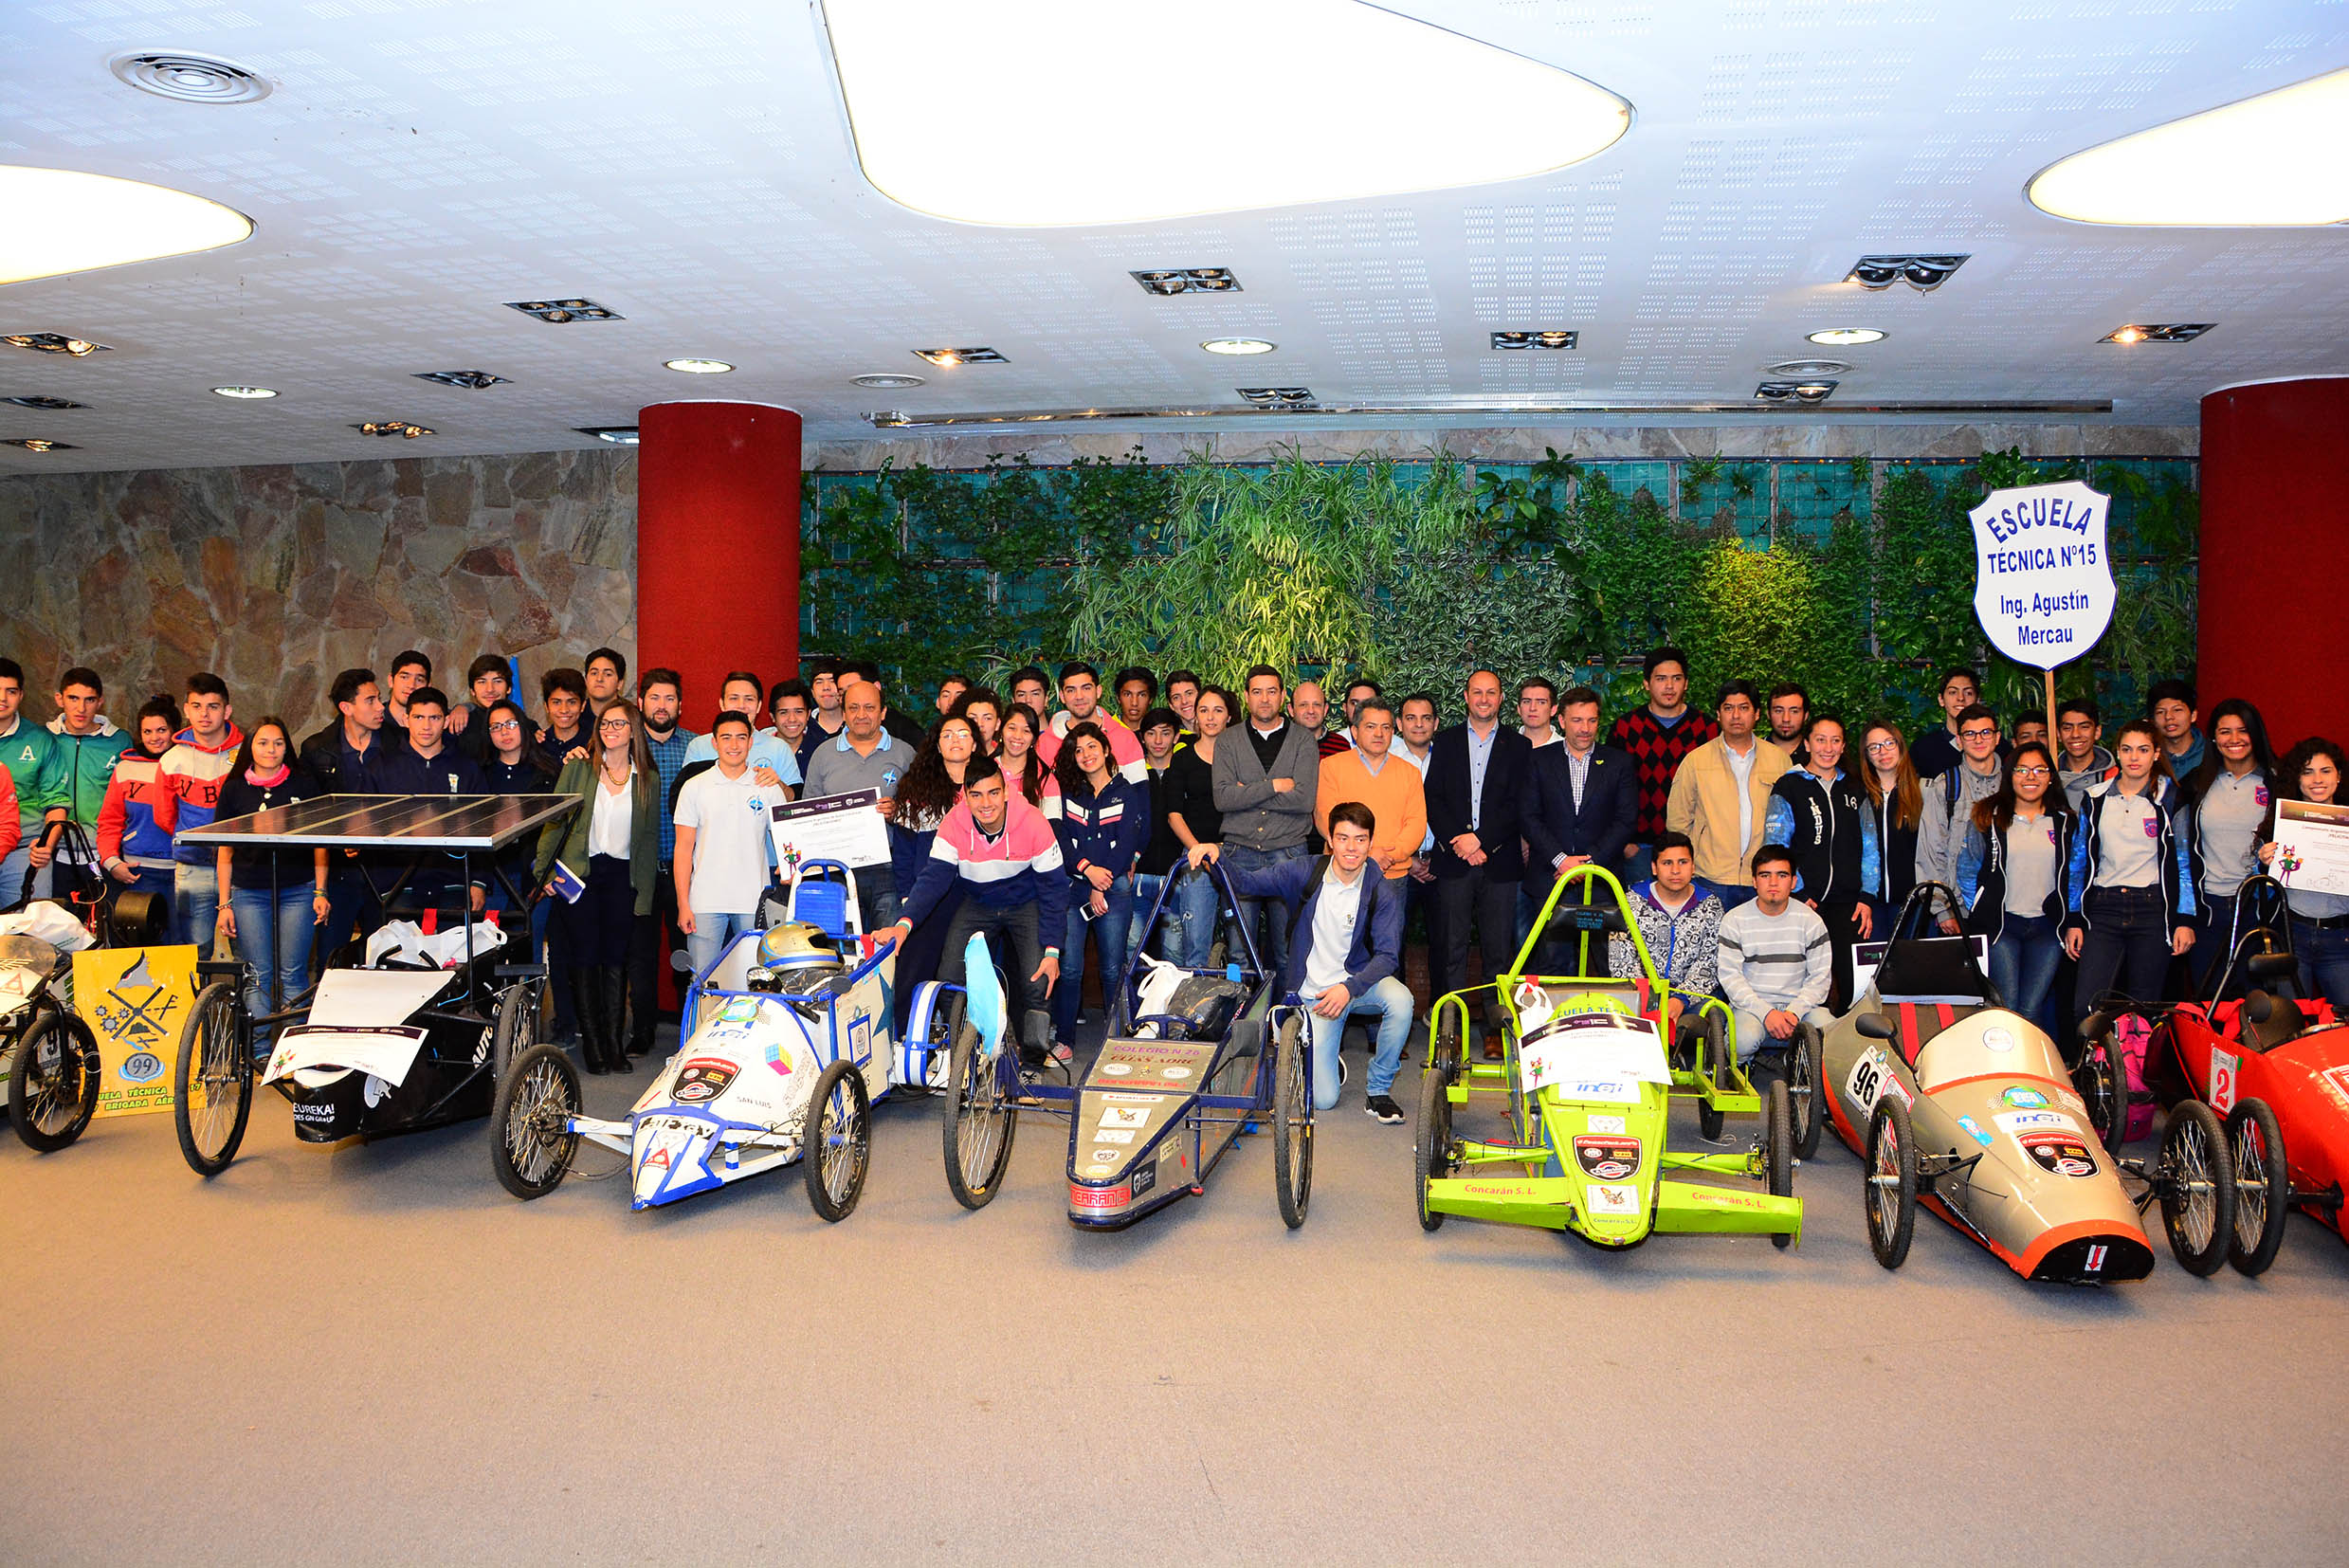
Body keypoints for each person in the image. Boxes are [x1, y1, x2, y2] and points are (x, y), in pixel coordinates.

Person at [1188, 802, 1411, 1121]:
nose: (1351, 847)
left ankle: (1378, 1091)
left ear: (1370, 842)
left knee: (1402, 1001)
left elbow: (1388, 956)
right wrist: (1217, 854)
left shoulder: (1380, 889)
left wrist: (1349, 989)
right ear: (1330, 840)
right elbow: (1247, 884)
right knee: (1322, 1100)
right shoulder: (1304, 871)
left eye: (1360, 839)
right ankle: (1320, 1050)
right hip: (1314, 996)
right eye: (1343, 838)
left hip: (1356, 985)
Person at [880, 757, 1066, 1068]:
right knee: (949, 978)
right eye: (976, 795)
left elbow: (1054, 890)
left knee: (1037, 979)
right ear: (965, 796)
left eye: (993, 793)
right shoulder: (954, 822)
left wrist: (1053, 950)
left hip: (1025, 903)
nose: (986, 803)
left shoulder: (1033, 821)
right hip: (978, 901)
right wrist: (903, 924)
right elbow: (932, 879)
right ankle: (963, 1059)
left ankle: (1033, 1064)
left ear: (1006, 791)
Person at [535, 701, 658, 1075]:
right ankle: (593, 1047)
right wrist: (544, 872)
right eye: (605, 723)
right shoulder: (577, 768)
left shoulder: (646, 778)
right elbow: (553, 822)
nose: (610, 729)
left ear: (634, 730)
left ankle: (612, 1045)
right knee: (585, 959)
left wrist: (646, 895)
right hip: (580, 875)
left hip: (623, 877)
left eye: (619, 723)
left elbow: (648, 840)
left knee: (615, 962)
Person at [1425, 669, 1533, 1059]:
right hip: (1454, 862)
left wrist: (1482, 841)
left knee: (1498, 954)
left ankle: (1493, 1028)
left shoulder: (1519, 746)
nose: (1483, 699)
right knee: (1451, 950)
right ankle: (1450, 1029)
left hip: (1499, 863)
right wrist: (1460, 841)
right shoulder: (1447, 741)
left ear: (1501, 698)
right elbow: (1433, 798)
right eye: (1477, 692)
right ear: (1466, 696)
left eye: (1491, 693)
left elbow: (1519, 805)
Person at [2064, 719, 2197, 1023]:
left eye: (2143, 749)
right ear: (2118, 753)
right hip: (2103, 909)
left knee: (2145, 1008)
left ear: (2156, 754)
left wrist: (2185, 920)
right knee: (2086, 1006)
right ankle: (2091, 1069)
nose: (2134, 757)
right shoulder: (2095, 799)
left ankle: (2134, 1071)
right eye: (2127, 749)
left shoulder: (2171, 799)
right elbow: (2078, 862)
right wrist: (2074, 918)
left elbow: (2184, 863)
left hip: (2152, 911)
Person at [211, 718, 330, 1050]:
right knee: (258, 975)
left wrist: (321, 891)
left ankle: (294, 1053)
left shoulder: (304, 785)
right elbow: (224, 850)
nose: (271, 750)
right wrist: (225, 904)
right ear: (250, 747)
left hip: (299, 889)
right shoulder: (234, 789)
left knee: (293, 974)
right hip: (249, 893)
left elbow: (321, 842)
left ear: (286, 748)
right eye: (263, 742)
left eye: (278, 743)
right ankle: (260, 1051)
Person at [1762, 713, 1878, 1007]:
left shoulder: (1854, 788)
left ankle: (1848, 1044)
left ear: (1843, 746)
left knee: (1852, 984)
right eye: (1821, 740)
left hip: (1849, 904)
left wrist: (1866, 896)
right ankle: (1804, 1048)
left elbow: (1870, 846)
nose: (1828, 747)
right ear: (1808, 743)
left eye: (1835, 740)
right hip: (1803, 902)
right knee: (1803, 985)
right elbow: (1776, 847)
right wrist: (1797, 891)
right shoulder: (1789, 786)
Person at [1957, 740, 2072, 1029]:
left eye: (2039, 770)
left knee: (2032, 1008)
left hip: (2048, 928)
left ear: (2050, 777)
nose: (2030, 777)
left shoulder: (2064, 822)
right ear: (2010, 775)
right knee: (2005, 1006)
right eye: (2022, 770)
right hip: (2003, 928)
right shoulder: (1989, 817)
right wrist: (1980, 908)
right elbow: (1967, 868)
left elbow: (2075, 874)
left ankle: (2029, 1072)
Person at [1211, 665, 1320, 972]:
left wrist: (1247, 793)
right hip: (1238, 853)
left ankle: (1284, 1017)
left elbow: (1303, 800)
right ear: (1246, 697)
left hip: (1288, 854)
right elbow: (1223, 798)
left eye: (1272, 691)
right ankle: (1239, 1018)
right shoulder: (1228, 741)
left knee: (1287, 950)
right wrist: (1274, 786)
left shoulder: (1303, 741)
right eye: (1257, 692)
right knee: (1237, 952)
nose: (1264, 699)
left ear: (1283, 696)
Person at [1052, 721, 1149, 1061]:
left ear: (1106, 750)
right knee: (1070, 968)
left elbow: (1127, 844)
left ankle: (1118, 1041)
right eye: (1078, 750)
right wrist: (1087, 874)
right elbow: (1062, 838)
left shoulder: (1127, 793)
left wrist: (1101, 882)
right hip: (1075, 888)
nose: (1086, 755)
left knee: (1112, 968)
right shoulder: (1068, 793)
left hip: (1114, 887)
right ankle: (1063, 1040)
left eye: (1092, 747)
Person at [1520, 684, 1637, 966]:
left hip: (1602, 882)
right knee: (1552, 966)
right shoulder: (1538, 760)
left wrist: (1588, 863)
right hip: (1549, 878)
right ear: (1561, 720)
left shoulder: (1619, 763)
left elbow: (1625, 820)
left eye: (1592, 720)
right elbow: (1528, 816)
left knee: (1611, 965)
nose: (1585, 728)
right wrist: (1561, 861)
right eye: (1577, 720)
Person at [1665, 681, 1788, 909]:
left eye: (1744, 707)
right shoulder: (1696, 761)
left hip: (1762, 877)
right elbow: (1678, 823)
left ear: (1757, 714)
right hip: (1710, 877)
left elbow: (1789, 821)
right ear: (1719, 714)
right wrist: (1685, 868)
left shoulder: (1779, 760)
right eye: (1729, 708)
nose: (1736, 715)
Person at [888, 712, 979, 1019]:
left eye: (963, 734)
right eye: (947, 735)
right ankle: (904, 1044)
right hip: (926, 898)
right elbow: (902, 851)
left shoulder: (988, 790)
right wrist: (906, 897)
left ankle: (965, 1046)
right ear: (937, 746)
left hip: (974, 898)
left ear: (976, 745)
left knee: (963, 974)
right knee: (913, 975)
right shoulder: (916, 789)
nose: (955, 740)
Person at [673, 713, 777, 980]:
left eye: (741, 737)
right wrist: (683, 903)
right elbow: (683, 850)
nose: (734, 745)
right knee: (702, 982)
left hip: (753, 900)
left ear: (751, 742)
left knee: (754, 981)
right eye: (726, 738)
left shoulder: (767, 786)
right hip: (705, 901)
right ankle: (699, 1024)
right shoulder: (694, 787)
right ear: (714, 743)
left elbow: (787, 839)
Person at [298, 668, 392, 964]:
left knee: (388, 955)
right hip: (338, 871)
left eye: (379, 699)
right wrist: (341, 841)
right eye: (371, 700)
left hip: (386, 870)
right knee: (331, 958)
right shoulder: (316, 749)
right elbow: (309, 815)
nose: (380, 707)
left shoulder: (397, 743)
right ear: (346, 708)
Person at [2185, 699, 2278, 987]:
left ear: (2256, 734)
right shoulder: (2195, 784)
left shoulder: (2277, 782)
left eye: (2242, 730)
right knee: (2209, 1004)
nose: (2234, 739)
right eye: (2225, 731)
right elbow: (2179, 852)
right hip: (2207, 911)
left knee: (2259, 1007)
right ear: (2213, 736)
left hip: (2258, 910)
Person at [1608, 647, 1718, 887]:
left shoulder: (1707, 730)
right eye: (1661, 679)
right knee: (1639, 922)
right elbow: (1608, 790)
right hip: (1640, 850)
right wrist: (1625, 845)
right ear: (1647, 683)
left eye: (1676, 678)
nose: (1669, 686)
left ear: (1686, 683)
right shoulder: (1626, 729)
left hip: (1694, 851)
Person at [374, 686, 491, 913]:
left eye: (434, 718)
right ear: (406, 719)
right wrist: (381, 886)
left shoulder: (467, 768)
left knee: (456, 949)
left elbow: (484, 826)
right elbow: (369, 829)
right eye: (418, 717)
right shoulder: (380, 768)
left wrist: (478, 881)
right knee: (402, 950)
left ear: (446, 721)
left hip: (456, 884)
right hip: (398, 886)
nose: (426, 726)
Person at [1715, 845, 1833, 1066]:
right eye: (1765, 875)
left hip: (1800, 1008)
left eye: (1782, 875)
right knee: (1741, 1041)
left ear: (1794, 881)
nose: (1773, 883)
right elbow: (1730, 977)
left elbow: (1820, 978)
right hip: (1752, 1008)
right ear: (1754, 881)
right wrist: (1767, 1013)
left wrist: (1794, 1012)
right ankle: (1743, 1068)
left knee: (1832, 1037)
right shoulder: (1735, 920)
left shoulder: (1811, 921)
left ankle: (1794, 1061)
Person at [802, 680, 904, 923]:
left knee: (887, 948)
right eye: (854, 708)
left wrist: (897, 812)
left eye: (869, 707)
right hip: (836, 871)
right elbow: (808, 813)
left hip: (888, 869)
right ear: (844, 713)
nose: (861, 715)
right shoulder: (823, 754)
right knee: (839, 947)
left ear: (883, 713)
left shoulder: (904, 754)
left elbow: (919, 814)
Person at [2259, 738, 2349, 1011]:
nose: (2317, 779)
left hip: (2340, 939)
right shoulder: (2282, 822)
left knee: (2343, 1025)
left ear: (2339, 776)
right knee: (2290, 1023)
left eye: (2325, 770)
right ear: (2296, 779)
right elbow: (2261, 886)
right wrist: (2263, 861)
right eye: (2307, 771)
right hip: (2291, 934)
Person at [158, 673, 245, 956]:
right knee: (196, 951)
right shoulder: (172, 758)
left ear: (227, 710)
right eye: (196, 706)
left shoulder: (246, 754)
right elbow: (164, 815)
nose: (204, 714)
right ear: (186, 710)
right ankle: (203, 1001)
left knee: (247, 949)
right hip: (193, 866)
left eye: (213, 706)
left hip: (241, 868)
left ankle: (248, 1001)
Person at [1606, 831, 1722, 1039]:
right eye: (1667, 863)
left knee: (1717, 1016)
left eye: (1683, 862)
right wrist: (1650, 999)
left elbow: (1709, 962)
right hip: (1639, 995)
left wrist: (1680, 999)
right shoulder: (1630, 902)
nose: (1676, 870)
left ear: (1693, 867)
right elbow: (1621, 960)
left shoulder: (1710, 905)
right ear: (1654, 868)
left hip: (1690, 998)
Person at [44, 665, 133, 902]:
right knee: (59, 927)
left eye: (89, 700)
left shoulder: (120, 740)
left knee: (112, 927)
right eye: (73, 698)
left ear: (100, 701)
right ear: (59, 699)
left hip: (105, 854)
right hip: (57, 853)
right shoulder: (44, 738)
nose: (81, 708)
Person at [1316, 698, 1426, 889]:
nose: (1379, 734)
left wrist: (1388, 856)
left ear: (1393, 732)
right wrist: (1366, 854)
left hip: (1392, 874)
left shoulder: (1410, 772)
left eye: (1385, 727)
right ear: (1355, 731)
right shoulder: (1331, 766)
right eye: (1370, 727)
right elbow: (1324, 817)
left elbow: (1416, 824)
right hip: (1343, 874)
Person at [637, 669, 694, 1036]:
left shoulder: (696, 747)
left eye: (669, 698)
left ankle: (691, 1030)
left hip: (684, 872)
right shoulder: (626, 743)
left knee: (686, 954)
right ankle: (640, 1033)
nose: (662, 706)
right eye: (655, 698)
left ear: (680, 704)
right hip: (637, 872)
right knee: (639, 955)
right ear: (641, 702)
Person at [96, 696, 184, 928]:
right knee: (145, 948)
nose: (154, 738)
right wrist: (112, 862)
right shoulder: (125, 769)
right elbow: (109, 821)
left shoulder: (189, 766)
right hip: (139, 874)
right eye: (147, 731)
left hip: (184, 871)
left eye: (161, 730)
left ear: (175, 730)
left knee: (183, 947)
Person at [1162, 685, 1230, 965]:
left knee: (1242, 947)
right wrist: (1198, 850)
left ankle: (1239, 1007)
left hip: (1236, 854)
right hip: (1195, 858)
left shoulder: (1241, 757)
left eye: (1218, 711)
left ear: (1229, 716)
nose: (1211, 717)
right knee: (1195, 948)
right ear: (1195, 717)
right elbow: (1173, 814)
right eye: (1204, 710)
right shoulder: (1183, 758)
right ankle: (1194, 1009)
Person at [0, 657, 69, 908]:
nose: (3, 699)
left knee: (30, 936)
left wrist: (46, 846)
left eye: (11, 691)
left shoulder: (40, 740)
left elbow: (57, 802)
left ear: (21, 695)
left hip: (26, 851)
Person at [1916, 702, 2006, 892]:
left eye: (1986, 732)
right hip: (1959, 905)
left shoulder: (2013, 785)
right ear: (1959, 740)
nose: (1978, 740)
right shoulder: (1946, 786)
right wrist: (1943, 908)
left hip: (2008, 903)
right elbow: (1930, 852)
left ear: (1997, 738)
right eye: (1970, 734)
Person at [479, 698, 556, 909]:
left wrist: (543, 874)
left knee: (533, 939)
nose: (504, 732)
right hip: (494, 875)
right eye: (496, 727)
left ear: (522, 726)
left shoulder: (546, 772)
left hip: (535, 875)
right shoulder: (481, 774)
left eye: (511, 724)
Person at [681, 670, 802, 793]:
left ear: (759, 706)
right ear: (722, 704)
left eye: (749, 699)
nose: (741, 705)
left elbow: (796, 799)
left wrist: (777, 785)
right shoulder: (698, 747)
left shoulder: (778, 747)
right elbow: (686, 796)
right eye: (734, 698)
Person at [1130, 708, 1187, 960]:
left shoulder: (1187, 774)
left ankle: (1171, 1002)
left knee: (1174, 952)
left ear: (1176, 736)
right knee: (1132, 948)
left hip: (1177, 877)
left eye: (1165, 733)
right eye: (1151, 734)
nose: (1158, 740)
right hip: (1138, 876)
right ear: (1142, 738)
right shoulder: (1132, 777)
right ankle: (1130, 1001)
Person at [1040, 662, 1145, 783]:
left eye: (1086, 688)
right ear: (1062, 696)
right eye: (1071, 690)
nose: (1079, 696)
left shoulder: (1125, 738)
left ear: (1098, 691)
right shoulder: (1045, 744)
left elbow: (1139, 793)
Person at [1861, 720, 1923, 912]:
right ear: (1867, 756)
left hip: (1914, 903)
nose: (1883, 751)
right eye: (1874, 747)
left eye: (1889, 743)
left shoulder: (1924, 792)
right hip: (1869, 904)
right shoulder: (1858, 795)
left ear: (1900, 746)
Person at [1910, 666, 1983, 781]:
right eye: (1953, 692)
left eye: (1968, 693)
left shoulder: (1994, 745)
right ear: (1941, 699)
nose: (1960, 698)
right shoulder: (1922, 748)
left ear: (1978, 700)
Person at [998, 702, 1058, 817]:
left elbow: (1052, 827)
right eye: (1012, 728)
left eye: (1026, 731)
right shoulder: (986, 770)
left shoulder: (1045, 779)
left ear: (1034, 739)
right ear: (1001, 731)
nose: (1017, 736)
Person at [2056, 697, 2116, 811]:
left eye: (2084, 727)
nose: (2075, 735)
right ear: (2058, 734)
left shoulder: (2113, 777)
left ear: (2097, 732)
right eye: (2067, 728)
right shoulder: (2049, 777)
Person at [450, 653, 513, 760]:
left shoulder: (522, 723)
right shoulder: (460, 722)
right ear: (472, 691)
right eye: (482, 682)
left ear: (509, 688)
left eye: (497, 681)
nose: (490, 689)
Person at [2149, 678, 2207, 779]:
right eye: (2160, 712)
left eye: (2177, 710)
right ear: (2153, 721)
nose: (2168, 717)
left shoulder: (2211, 754)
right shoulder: (2146, 756)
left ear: (2193, 715)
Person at [535, 668, 591, 770]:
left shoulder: (593, 744)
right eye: (556, 702)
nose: (564, 710)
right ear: (546, 706)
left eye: (572, 702)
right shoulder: (537, 746)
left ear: (582, 706)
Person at [768, 679, 817, 774]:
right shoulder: (760, 750)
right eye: (784, 713)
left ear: (808, 714)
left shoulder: (820, 750)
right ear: (773, 717)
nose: (792, 719)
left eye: (798, 712)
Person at [385, 650, 431, 739]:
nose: (411, 685)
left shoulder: (437, 724)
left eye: (419, 680)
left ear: (428, 686)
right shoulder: (374, 721)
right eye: (404, 677)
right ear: (391, 681)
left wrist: (461, 708)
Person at [947, 687, 1003, 757]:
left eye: (987, 718)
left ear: (997, 724)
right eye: (973, 718)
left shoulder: (1006, 757)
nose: (980, 724)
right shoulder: (953, 756)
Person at [1764, 684, 1811, 765]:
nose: (1786, 719)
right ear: (1768, 714)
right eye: (1778, 711)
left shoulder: (1817, 754)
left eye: (1794, 711)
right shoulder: (1754, 752)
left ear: (1805, 715)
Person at [808, 658, 847, 746]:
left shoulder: (857, 725)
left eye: (832, 681)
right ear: (812, 692)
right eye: (819, 682)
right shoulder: (803, 729)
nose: (826, 687)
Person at [1334, 679, 1381, 750]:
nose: (1360, 709)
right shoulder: (1334, 744)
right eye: (1354, 703)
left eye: (1368, 703)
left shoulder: (1395, 747)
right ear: (1345, 708)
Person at [1111, 666, 1156, 734]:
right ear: (1118, 698)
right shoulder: (1106, 730)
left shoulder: (1159, 735)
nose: (1134, 703)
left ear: (1151, 699)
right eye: (1127, 694)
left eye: (1142, 695)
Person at [583, 647, 628, 716]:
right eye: (594, 673)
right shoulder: (575, 715)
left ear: (620, 683)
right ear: (586, 680)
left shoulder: (630, 716)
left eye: (608, 674)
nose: (599, 679)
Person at [1165, 670, 1201, 738]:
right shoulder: (1171, 738)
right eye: (1176, 697)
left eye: (1189, 694)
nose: (1184, 701)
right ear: (1171, 705)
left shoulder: (1219, 728)